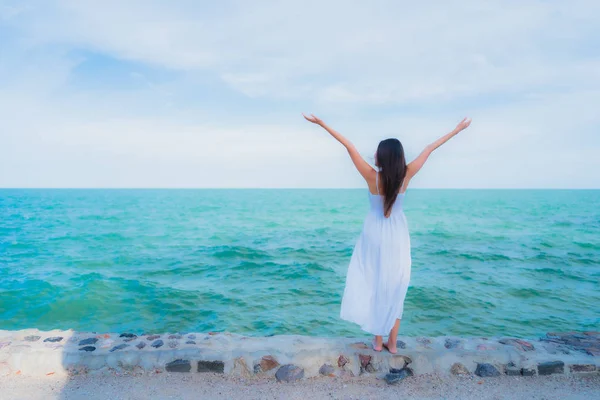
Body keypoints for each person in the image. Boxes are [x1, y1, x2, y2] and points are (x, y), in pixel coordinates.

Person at [303, 114, 472, 353]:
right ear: (400, 156)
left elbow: (348, 145)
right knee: (395, 287)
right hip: (397, 236)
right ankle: (392, 343)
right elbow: (429, 148)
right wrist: (457, 129)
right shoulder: (407, 174)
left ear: (382, 155)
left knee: (375, 282)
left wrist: (321, 124)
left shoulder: (372, 176)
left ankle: (378, 341)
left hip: (373, 235)